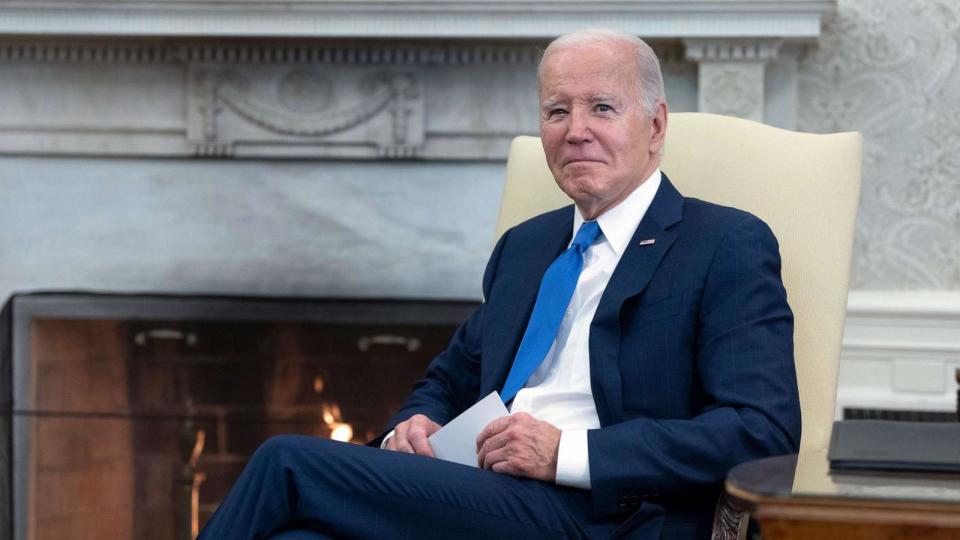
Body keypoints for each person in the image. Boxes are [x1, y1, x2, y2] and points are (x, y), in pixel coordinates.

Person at [199, 28, 800, 540]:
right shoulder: (528, 246)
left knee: (286, 461)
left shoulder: (723, 242)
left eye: (603, 108)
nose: (576, 131)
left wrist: (564, 454)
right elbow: (451, 375)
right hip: (487, 490)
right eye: (557, 111)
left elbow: (761, 432)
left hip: (609, 512)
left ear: (656, 125)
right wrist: (417, 422)